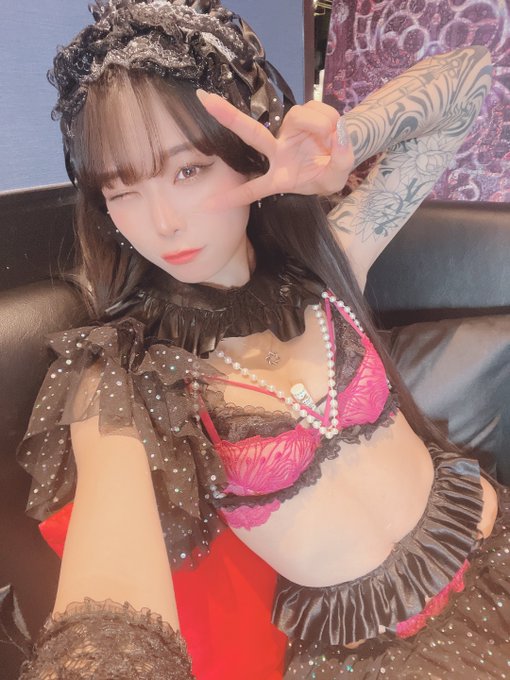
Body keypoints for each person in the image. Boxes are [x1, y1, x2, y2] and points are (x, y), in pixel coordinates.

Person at [15, 0, 509, 678]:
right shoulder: (128, 374)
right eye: (121, 190)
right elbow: (108, 606)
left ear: (246, 157)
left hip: (492, 540)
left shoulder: (327, 262)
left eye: (187, 169)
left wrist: (347, 142)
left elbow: (470, 75)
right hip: (389, 658)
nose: (163, 221)